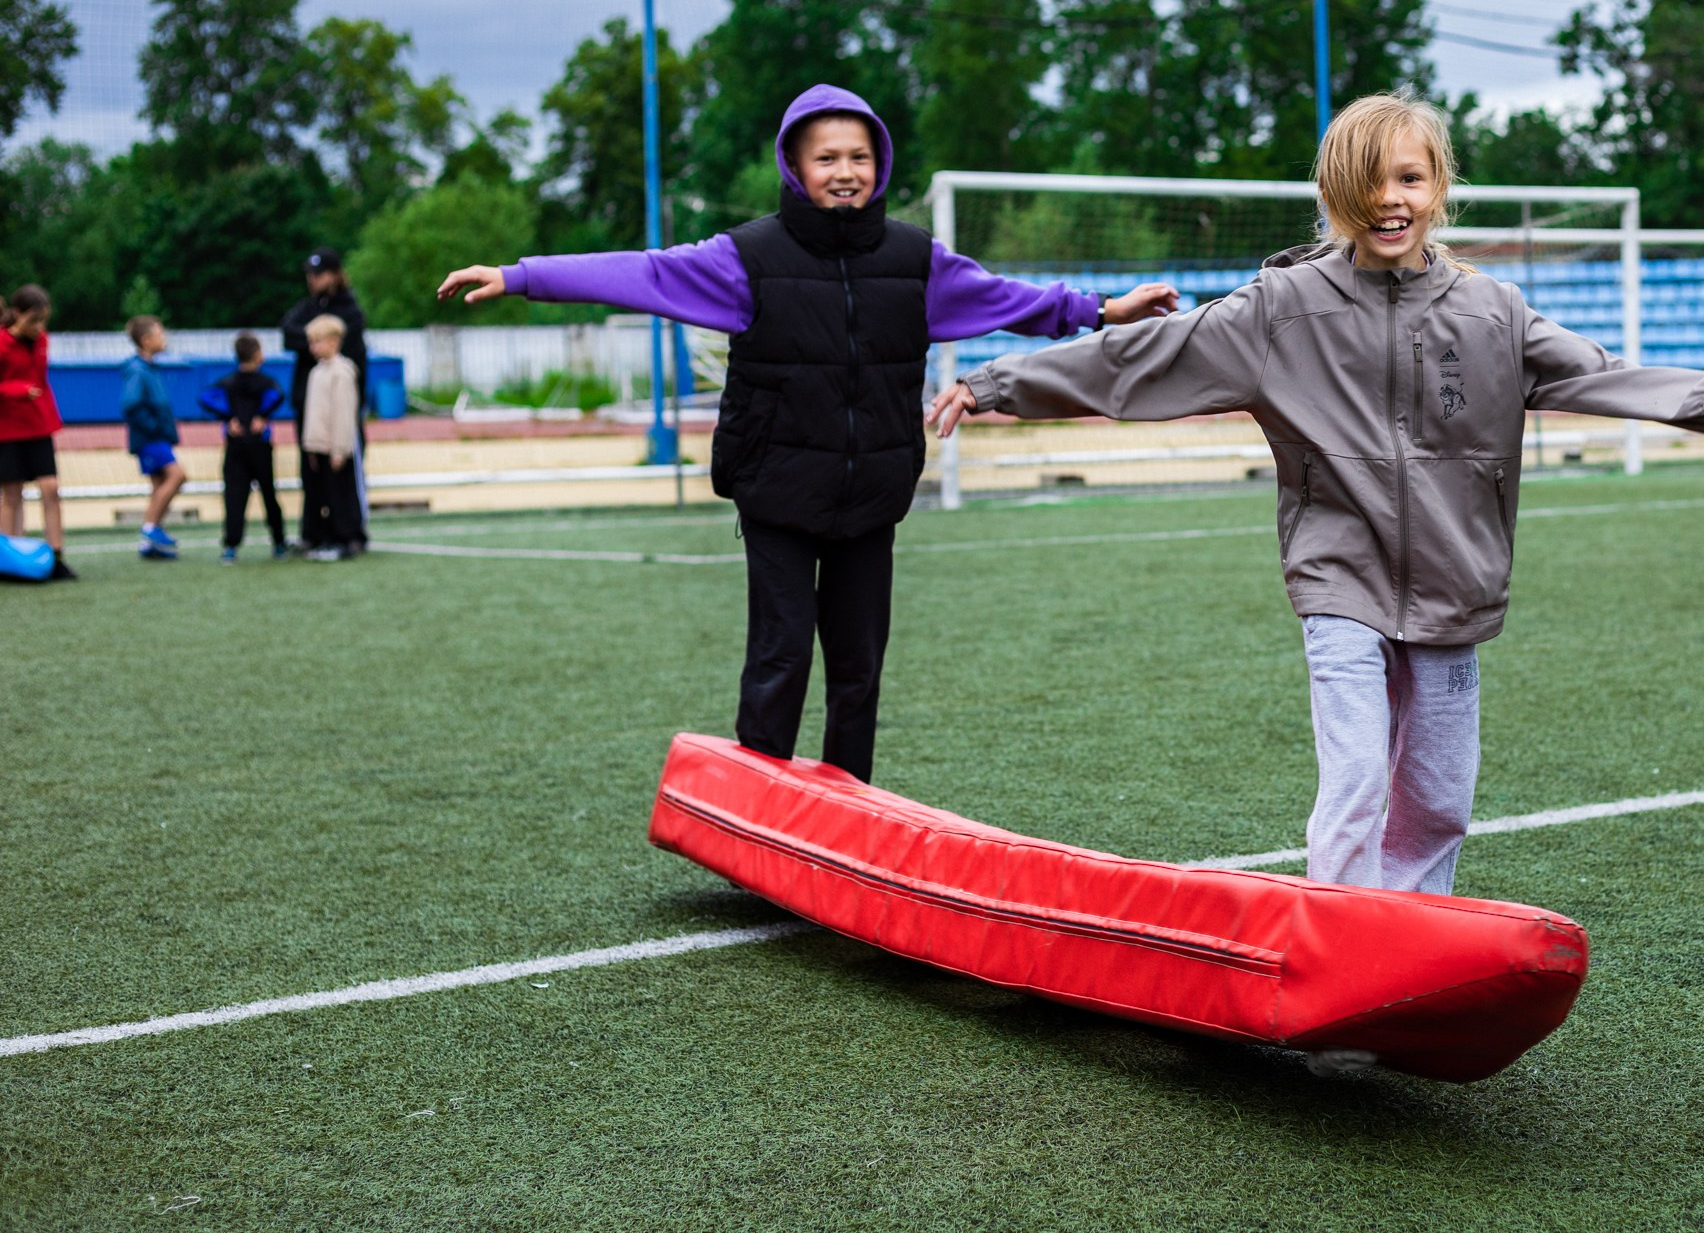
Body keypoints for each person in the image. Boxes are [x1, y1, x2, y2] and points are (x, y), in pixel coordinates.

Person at [930, 94, 1704, 896]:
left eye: (1408, 178)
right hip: (1339, 576)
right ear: (1335, 195)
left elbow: (1598, 372)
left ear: (1438, 187)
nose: (1389, 199)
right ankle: (1338, 942)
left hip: (1454, 579)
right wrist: (1000, 382)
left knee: (1440, 797)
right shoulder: (1281, 309)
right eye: (1367, 182)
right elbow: (1142, 359)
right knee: (1359, 775)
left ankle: (1404, 947)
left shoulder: (1493, 312)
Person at [436, 83, 1180, 782]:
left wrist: (1102, 309)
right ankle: (758, 825)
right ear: (795, 166)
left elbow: (1009, 297)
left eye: (858, 156)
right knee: (781, 658)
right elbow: (646, 275)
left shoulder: (914, 261)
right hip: (779, 491)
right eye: (827, 158)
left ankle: (845, 823)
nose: (845, 172)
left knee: (857, 669)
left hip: (872, 494)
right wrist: (523, 274)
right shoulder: (747, 259)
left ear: (879, 163)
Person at [280, 247, 370, 552]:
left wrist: (311, 337)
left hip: (340, 406)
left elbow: (353, 359)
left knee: (341, 472)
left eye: (318, 274)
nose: (312, 279)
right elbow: (287, 332)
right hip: (310, 408)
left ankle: (351, 533)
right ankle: (315, 533)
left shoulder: (351, 312)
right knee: (312, 473)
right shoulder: (308, 308)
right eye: (309, 273)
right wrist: (312, 337)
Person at [0, 285, 74, 580]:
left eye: (43, 320)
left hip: (38, 424)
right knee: (11, 494)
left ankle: (57, 556)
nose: (40, 327)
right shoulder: (2, 343)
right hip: (7, 428)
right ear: (17, 314)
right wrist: (18, 390)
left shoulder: (42, 340)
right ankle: (6, 559)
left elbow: (41, 379)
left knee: (51, 488)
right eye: (34, 320)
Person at [199, 331, 288, 563]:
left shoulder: (229, 382)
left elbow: (205, 397)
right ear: (258, 354)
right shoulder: (265, 382)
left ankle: (231, 546)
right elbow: (278, 396)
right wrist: (261, 416)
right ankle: (279, 542)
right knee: (267, 494)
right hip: (256, 446)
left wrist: (229, 418)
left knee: (235, 497)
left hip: (239, 447)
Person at [297, 315, 365, 561]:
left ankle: (346, 538)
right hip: (318, 446)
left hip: (335, 446)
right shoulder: (317, 372)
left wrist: (339, 448)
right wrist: (311, 445)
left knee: (340, 495)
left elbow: (344, 414)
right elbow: (313, 412)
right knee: (321, 494)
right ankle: (325, 537)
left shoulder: (342, 372)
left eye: (318, 342)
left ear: (334, 341)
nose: (313, 347)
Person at [121, 314, 185, 562]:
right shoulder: (138, 370)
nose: (164, 338)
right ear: (146, 340)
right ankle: (149, 528)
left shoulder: (149, 368)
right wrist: (154, 428)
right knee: (178, 475)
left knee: (160, 485)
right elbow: (131, 404)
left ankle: (149, 545)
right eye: (160, 333)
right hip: (151, 438)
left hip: (157, 436)